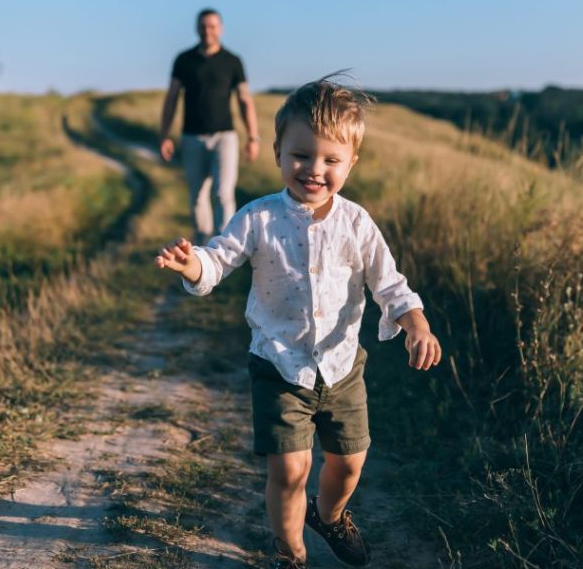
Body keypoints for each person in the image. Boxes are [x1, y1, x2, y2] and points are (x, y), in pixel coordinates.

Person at [154, 76, 443, 569]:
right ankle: (290, 553)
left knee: (348, 464)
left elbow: (389, 283)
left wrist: (415, 322)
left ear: (351, 163)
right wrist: (193, 265)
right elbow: (218, 259)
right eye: (301, 155)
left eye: (331, 160)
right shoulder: (259, 218)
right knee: (289, 470)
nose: (314, 169)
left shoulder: (356, 223)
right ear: (278, 153)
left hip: (342, 367)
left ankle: (329, 516)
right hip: (279, 365)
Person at [159, 8, 260, 244]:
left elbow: (244, 100)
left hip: (225, 137)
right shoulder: (184, 60)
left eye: (212, 26)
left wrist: (253, 137)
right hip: (192, 137)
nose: (207, 31)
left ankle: (225, 247)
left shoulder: (232, 61)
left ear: (220, 29)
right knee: (197, 196)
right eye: (203, 26)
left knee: (223, 194)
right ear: (197, 29)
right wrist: (164, 135)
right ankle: (202, 246)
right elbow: (172, 98)